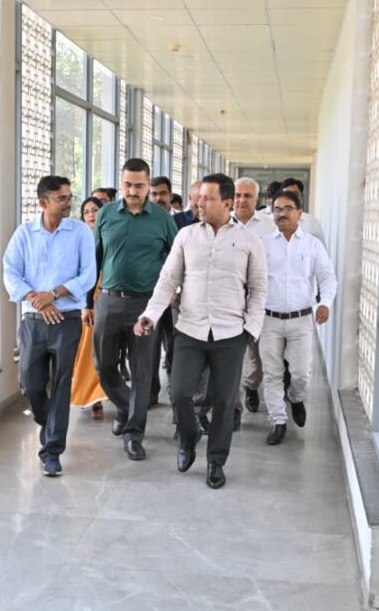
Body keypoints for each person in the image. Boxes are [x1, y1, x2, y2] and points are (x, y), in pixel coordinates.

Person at [134, 173, 267, 488]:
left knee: (223, 401)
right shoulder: (186, 236)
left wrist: (251, 329)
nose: (199, 203)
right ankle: (188, 438)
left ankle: (216, 461)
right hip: (190, 330)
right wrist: (150, 315)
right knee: (179, 391)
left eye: (207, 198)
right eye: (198, 198)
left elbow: (259, 288)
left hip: (231, 334)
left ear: (227, 202)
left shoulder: (249, 241)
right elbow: (168, 280)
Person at [2, 175, 96, 476]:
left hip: (67, 320)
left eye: (70, 196)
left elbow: (88, 276)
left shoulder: (80, 233)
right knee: (30, 382)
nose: (69, 202)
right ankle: (49, 421)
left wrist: (53, 294)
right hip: (34, 320)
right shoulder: (25, 233)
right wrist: (36, 299)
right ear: (43, 202)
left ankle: (52, 451)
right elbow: (10, 271)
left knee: (62, 382)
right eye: (62, 198)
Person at [89, 158, 178, 461]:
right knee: (103, 365)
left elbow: (176, 261)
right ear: (121, 183)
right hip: (109, 300)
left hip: (146, 305)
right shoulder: (106, 214)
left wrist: (173, 291)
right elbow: (95, 259)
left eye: (139, 185)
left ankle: (133, 434)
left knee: (141, 372)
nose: (132, 191)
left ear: (148, 185)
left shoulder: (163, 220)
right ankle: (127, 407)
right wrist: (88, 302)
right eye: (127, 184)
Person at [259, 190, 337, 445]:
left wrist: (324, 304)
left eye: (287, 209)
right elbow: (253, 280)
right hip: (269, 319)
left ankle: (295, 397)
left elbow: (327, 278)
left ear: (299, 213)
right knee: (272, 373)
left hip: (301, 319)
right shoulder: (263, 244)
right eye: (277, 209)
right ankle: (278, 421)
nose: (281, 214)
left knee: (301, 372)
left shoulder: (312, 245)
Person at [231, 177, 274, 414]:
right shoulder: (222, 222)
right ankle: (231, 404)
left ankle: (251, 386)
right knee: (230, 355)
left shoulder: (269, 226)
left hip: (258, 299)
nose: (241, 200)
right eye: (237, 195)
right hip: (229, 300)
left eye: (247, 196)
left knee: (257, 353)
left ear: (257, 199)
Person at [70, 197, 108, 419]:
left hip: (105, 296)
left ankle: (97, 394)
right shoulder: (77, 238)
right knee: (85, 349)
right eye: (86, 211)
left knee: (98, 349)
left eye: (95, 210)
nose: (91, 214)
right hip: (81, 300)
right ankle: (90, 395)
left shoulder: (109, 235)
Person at [148, 175, 177, 399]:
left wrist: (178, 289)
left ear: (170, 195)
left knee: (175, 345)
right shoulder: (143, 222)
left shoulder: (183, 220)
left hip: (176, 297)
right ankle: (150, 392)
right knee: (150, 346)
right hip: (150, 294)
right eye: (154, 194)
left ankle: (176, 390)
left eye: (163, 193)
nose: (158, 198)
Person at [281, 177, 327, 246]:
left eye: (295, 194)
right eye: (287, 194)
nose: (291, 198)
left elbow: (321, 250)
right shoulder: (271, 222)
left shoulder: (313, 223)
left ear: (301, 198)